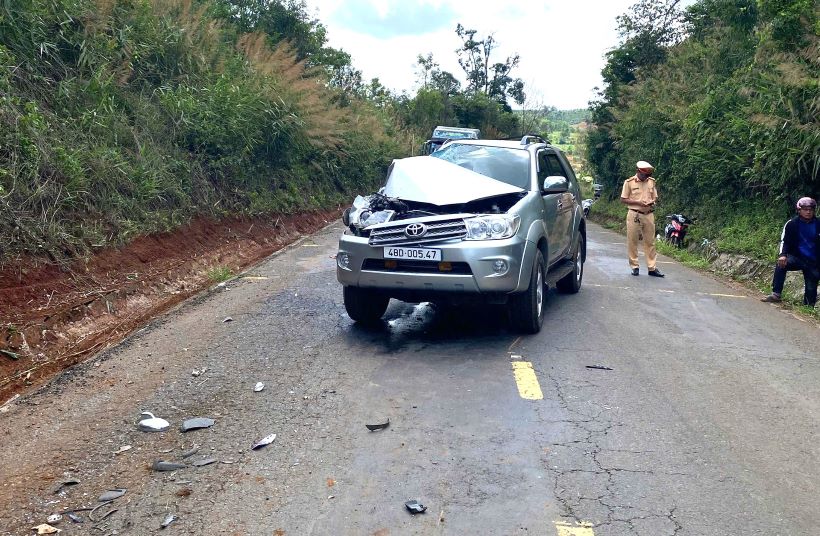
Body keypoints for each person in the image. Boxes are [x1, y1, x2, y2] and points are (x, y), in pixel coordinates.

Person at [761, 197, 820, 306]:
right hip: (797, 258)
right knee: (781, 264)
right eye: (805, 209)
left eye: (810, 209)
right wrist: (782, 255)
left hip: (814, 262)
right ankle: (776, 294)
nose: (808, 212)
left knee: (810, 293)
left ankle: (808, 307)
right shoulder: (792, 224)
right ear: (799, 210)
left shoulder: (818, 224)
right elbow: (785, 241)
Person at [620, 161, 664, 277]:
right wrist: (638, 202)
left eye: (647, 175)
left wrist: (652, 202)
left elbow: (655, 197)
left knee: (650, 242)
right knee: (632, 240)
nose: (646, 177)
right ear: (638, 171)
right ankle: (634, 266)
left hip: (648, 214)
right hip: (634, 214)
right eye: (644, 175)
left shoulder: (651, 182)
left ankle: (652, 268)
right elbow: (623, 199)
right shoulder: (629, 182)